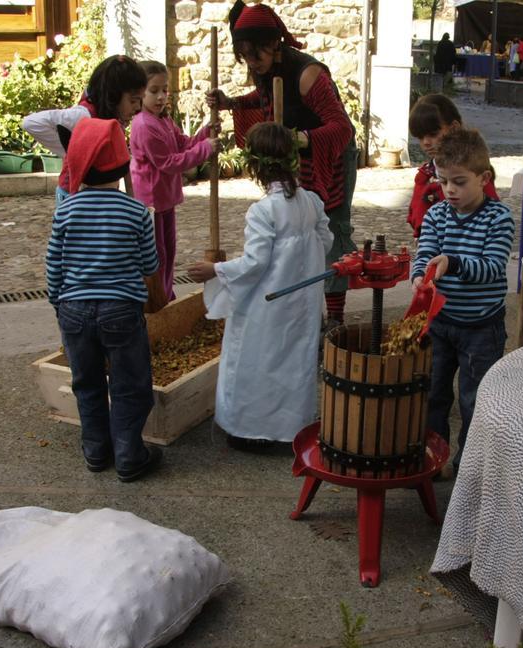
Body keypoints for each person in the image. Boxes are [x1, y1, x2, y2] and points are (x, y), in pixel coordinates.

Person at [206, 1, 357, 329]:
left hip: (330, 153)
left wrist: (299, 139)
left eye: (254, 54)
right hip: (299, 150)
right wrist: (231, 103)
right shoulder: (265, 68)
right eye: (244, 55)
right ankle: (307, 313)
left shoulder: (308, 75)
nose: (250, 62)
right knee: (299, 228)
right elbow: (266, 100)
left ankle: (335, 321)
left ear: (273, 44)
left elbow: (341, 128)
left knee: (330, 229)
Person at [187, 122, 332, 451]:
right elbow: (325, 239)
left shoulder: (263, 211)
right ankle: (293, 427)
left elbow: (254, 263)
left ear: (254, 166)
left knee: (258, 359)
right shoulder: (310, 201)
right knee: (295, 360)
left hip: (268, 302)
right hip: (302, 300)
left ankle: (252, 429)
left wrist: (216, 269)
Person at [46, 117, 165, 482]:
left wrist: (60, 303)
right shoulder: (135, 211)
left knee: (87, 382)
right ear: (123, 164)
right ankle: (129, 455)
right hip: (121, 311)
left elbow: (54, 265)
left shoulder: (65, 210)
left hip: (74, 310)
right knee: (130, 384)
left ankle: (96, 450)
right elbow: (149, 264)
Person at [411, 128, 513, 473]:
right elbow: (425, 251)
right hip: (440, 324)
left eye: (459, 182)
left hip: (481, 329)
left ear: (484, 178)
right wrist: (418, 275)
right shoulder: (437, 215)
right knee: (433, 395)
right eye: (443, 182)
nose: (450, 190)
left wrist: (452, 263)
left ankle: (468, 466)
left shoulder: (498, 218)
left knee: (475, 400)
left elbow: (492, 268)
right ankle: (433, 459)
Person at [130, 61, 218, 302]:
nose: (160, 97)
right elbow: (168, 162)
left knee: (168, 251)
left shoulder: (163, 120)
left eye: (164, 90)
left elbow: (182, 144)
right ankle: (156, 299)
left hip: (165, 199)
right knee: (156, 254)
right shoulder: (144, 125)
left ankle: (166, 293)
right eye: (154, 91)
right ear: (141, 93)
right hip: (150, 201)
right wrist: (205, 150)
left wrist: (205, 133)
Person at [23, 55, 147, 202]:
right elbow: (30, 123)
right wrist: (74, 152)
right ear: (113, 96)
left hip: (102, 198)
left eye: (140, 100)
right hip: (73, 198)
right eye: (133, 101)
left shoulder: (115, 119)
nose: (138, 107)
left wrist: (134, 203)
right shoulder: (83, 115)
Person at [406, 94, 501, 238]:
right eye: (420, 137)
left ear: (454, 127)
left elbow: (491, 221)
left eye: (433, 134)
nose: (426, 142)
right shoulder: (425, 174)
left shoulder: (473, 173)